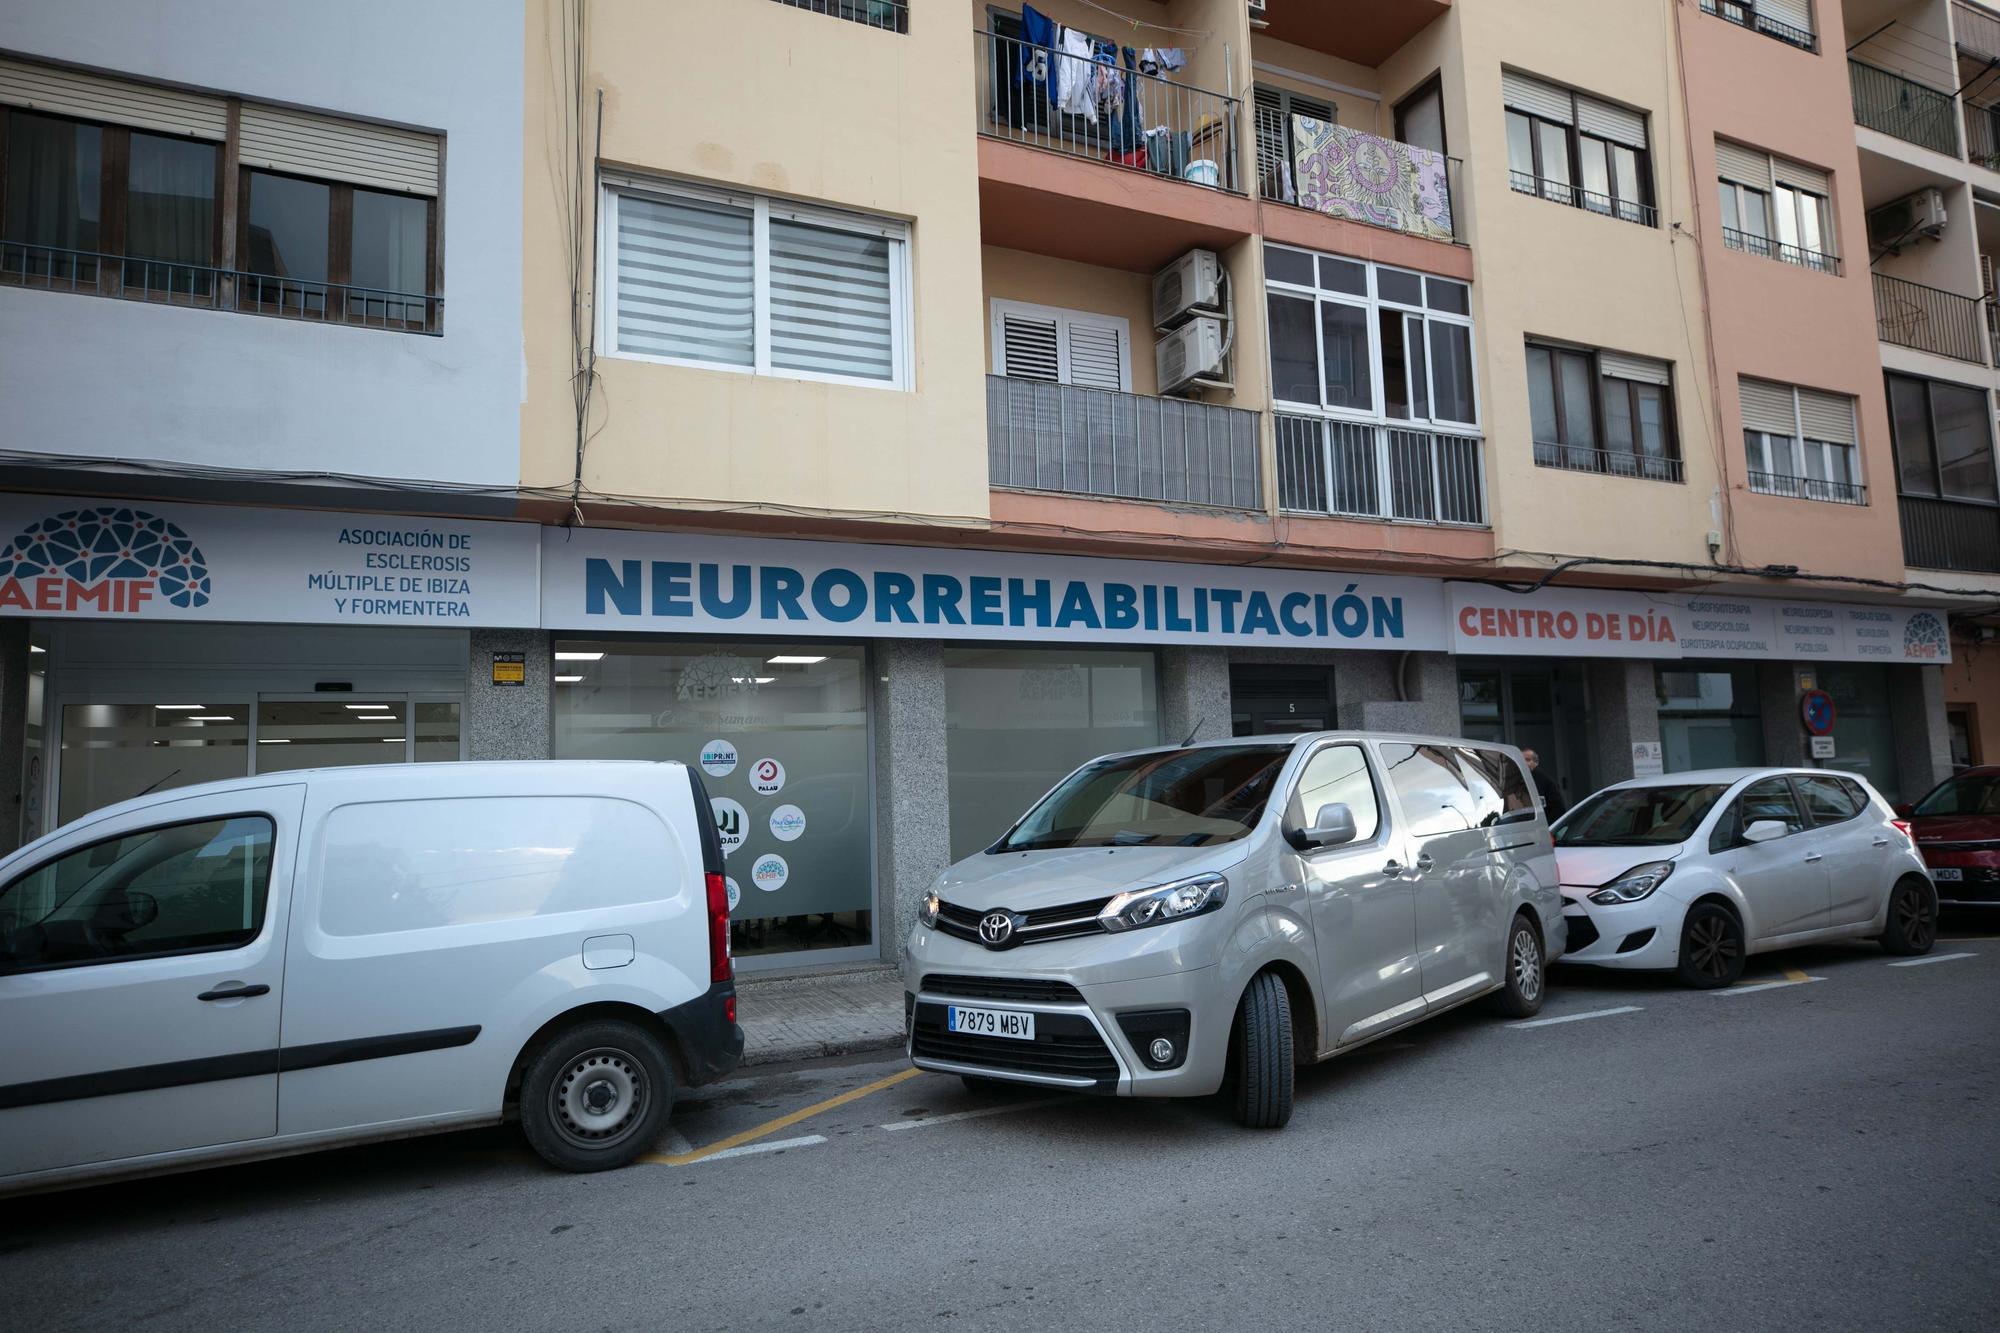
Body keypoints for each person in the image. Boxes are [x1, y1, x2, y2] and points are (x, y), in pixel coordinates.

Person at [1521, 748, 1567, 820]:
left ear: (1536, 763)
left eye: (1527, 760)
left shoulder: (1540, 779)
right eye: (1522, 760)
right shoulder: (1525, 778)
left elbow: (1556, 808)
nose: (1524, 762)